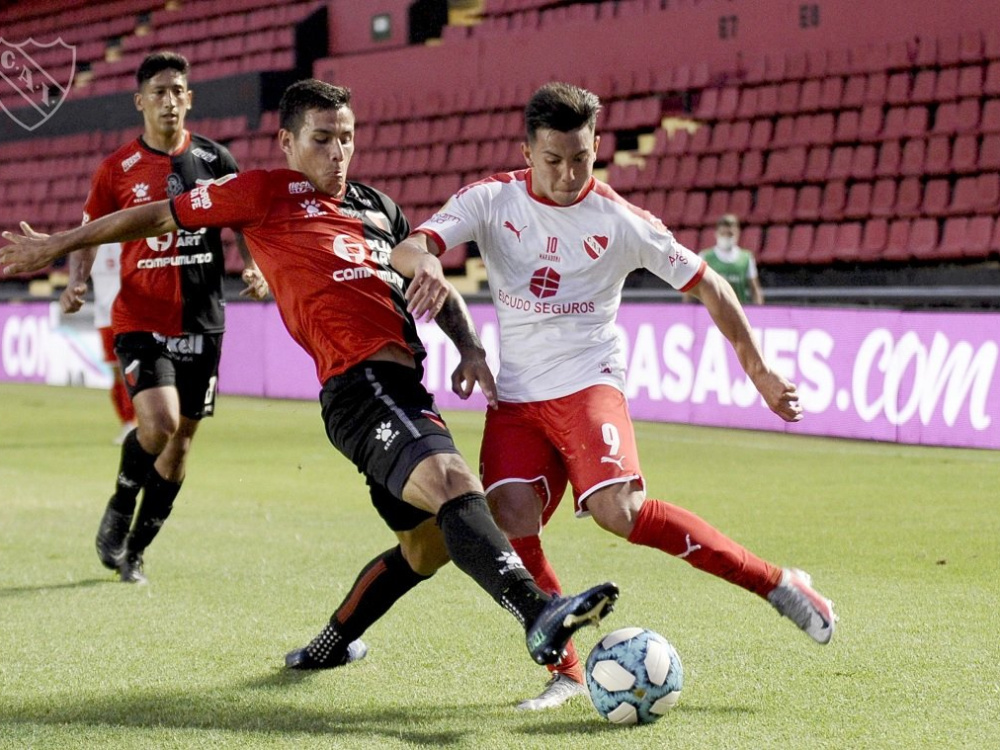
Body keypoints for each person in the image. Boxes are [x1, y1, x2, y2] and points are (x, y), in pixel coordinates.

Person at [1, 79, 618, 675]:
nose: (338, 152)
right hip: (359, 386)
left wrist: (470, 347)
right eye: (322, 139)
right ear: (287, 143)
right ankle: (539, 613)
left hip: (403, 388)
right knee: (455, 482)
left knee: (427, 548)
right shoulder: (265, 192)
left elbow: (429, 279)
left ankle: (331, 643)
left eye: (346, 137)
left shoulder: (378, 207)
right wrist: (58, 247)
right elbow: (160, 216)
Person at [391, 82, 836, 711]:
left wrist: (758, 372)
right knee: (510, 525)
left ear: (597, 146)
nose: (569, 173)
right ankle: (567, 673)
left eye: (581, 157)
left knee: (619, 513)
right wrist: (428, 265)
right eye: (553, 159)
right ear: (527, 151)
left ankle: (777, 583)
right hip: (515, 398)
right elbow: (409, 246)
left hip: (588, 383)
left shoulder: (621, 220)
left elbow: (709, 286)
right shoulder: (490, 200)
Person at [52, 51, 267, 584]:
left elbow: (246, 224)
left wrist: (256, 267)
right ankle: (120, 505)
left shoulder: (218, 162)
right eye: (159, 91)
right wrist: (77, 279)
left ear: (189, 98)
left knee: (182, 443)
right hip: (140, 317)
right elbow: (87, 232)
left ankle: (136, 549)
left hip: (202, 321)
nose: (170, 100)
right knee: (160, 423)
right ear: (140, 101)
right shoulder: (116, 170)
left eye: (178, 90)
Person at [89, 242, 136, 444]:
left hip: (129, 314)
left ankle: (137, 422)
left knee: (132, 370)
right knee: (117, 373)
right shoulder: (91, 241)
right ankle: (127, 423)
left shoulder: (129, 238)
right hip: (104, 318)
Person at [686, 214, 764, 305]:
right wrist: (687, 310)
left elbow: (755, 289)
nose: (726, 237)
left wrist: (759, 310)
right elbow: (691, 288)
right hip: (710, 312)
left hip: (739, 310)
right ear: (716, 233)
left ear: (737, 233)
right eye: (723, 234)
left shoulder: (746, 258)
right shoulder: (704, 257)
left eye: (730, 234)